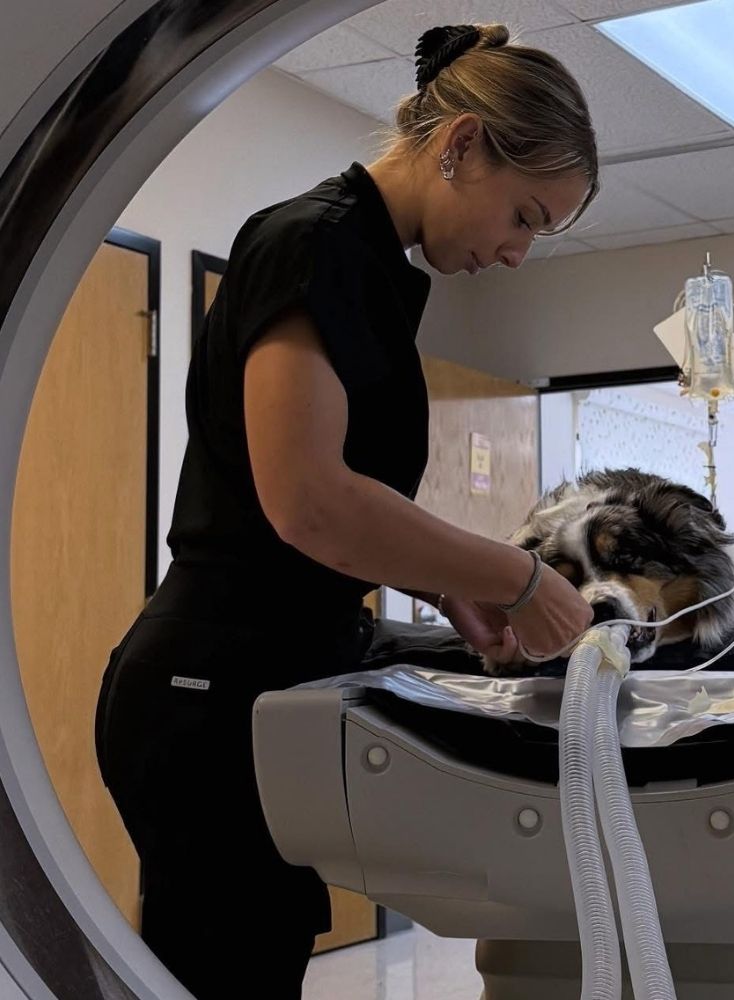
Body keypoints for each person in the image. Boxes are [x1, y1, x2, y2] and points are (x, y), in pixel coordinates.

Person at [94, 21, 600, 1000]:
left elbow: (331, 507)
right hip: (207, 689)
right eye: (525, 215)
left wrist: (447, 593)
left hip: (268, 675)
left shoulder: (365, 265)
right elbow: (309, 502)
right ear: (458, 148)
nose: (518, 253)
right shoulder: (313, 242)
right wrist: (515, 575)